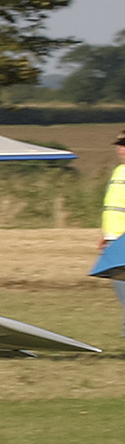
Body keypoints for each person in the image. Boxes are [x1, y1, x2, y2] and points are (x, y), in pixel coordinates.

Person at [101, 133, 125, 332]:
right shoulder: (119, 171)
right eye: (119, 145)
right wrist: (105, 236)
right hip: (114, 241)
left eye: (124, 145)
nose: (121, 149)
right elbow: (114, 206)